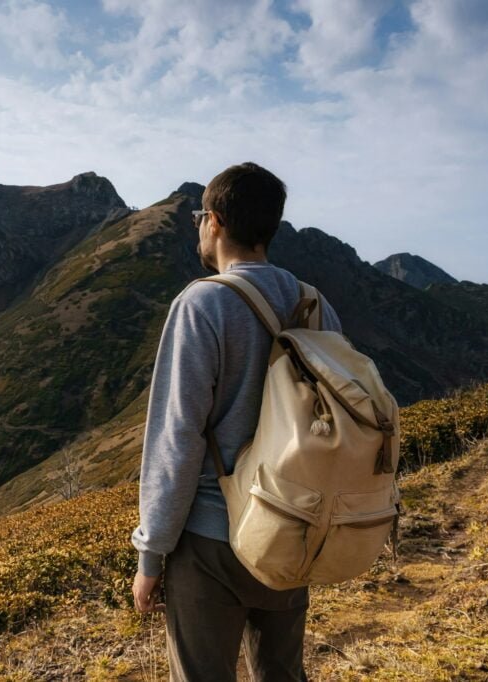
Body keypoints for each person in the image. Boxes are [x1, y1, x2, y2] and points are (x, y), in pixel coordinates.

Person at [130, 162, 344, 681]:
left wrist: (151, 556)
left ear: (217, 221)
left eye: (201, 215)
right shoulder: (315, 305)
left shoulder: (202, 303)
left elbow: (176, 438)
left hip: (212, 539)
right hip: (293, 526)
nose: (200, 226)